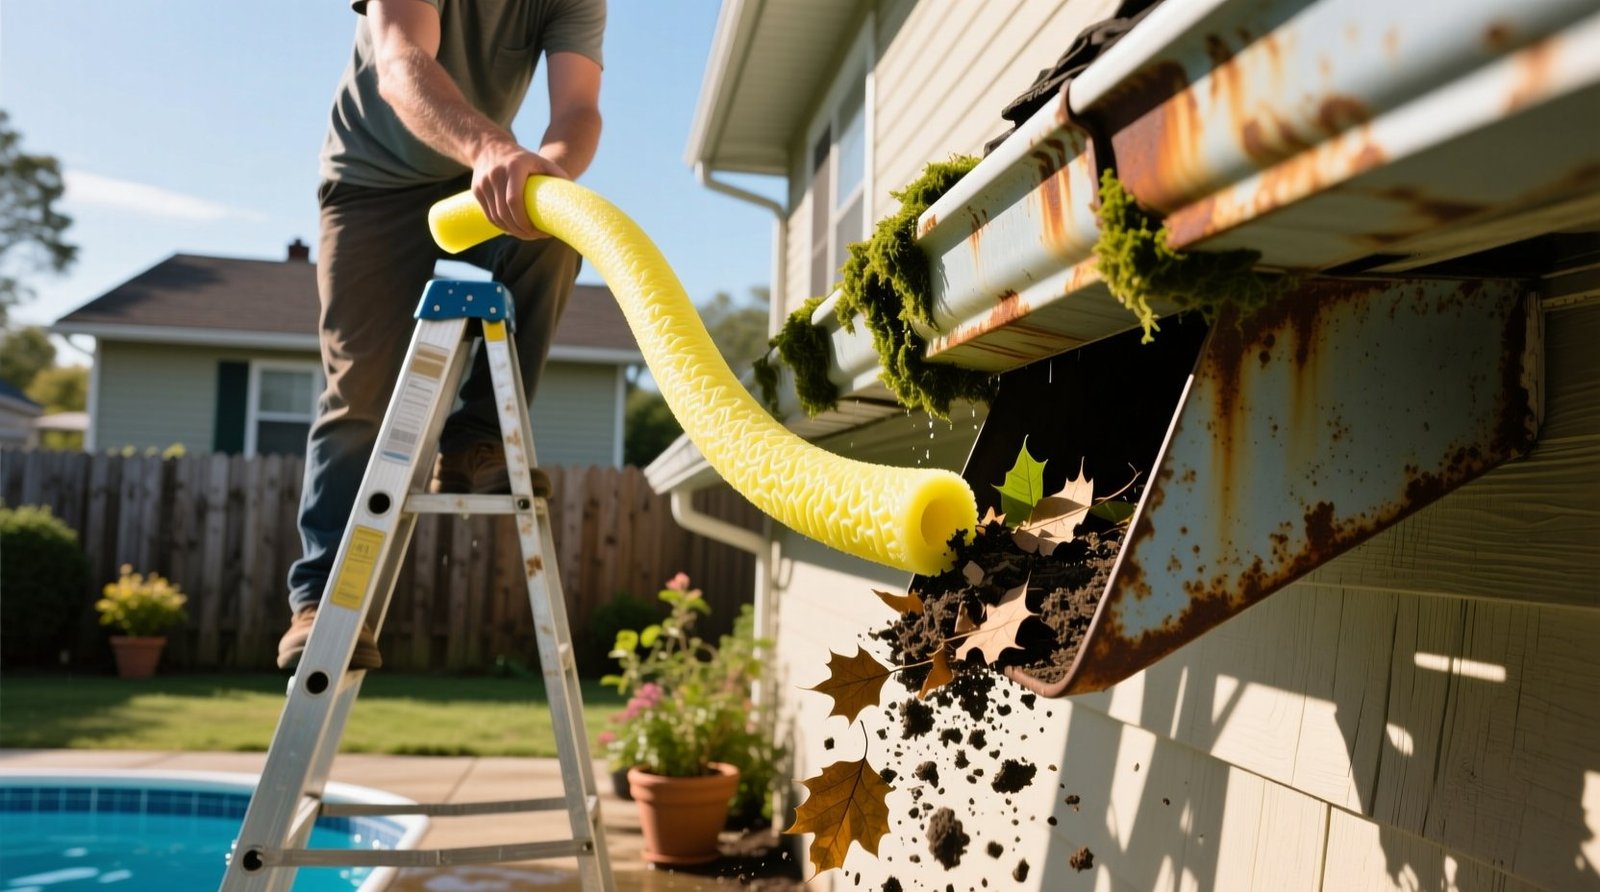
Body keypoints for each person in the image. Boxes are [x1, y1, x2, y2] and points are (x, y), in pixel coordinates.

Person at [277, 0, 605, 670]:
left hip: (475, 179)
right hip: (372, 184)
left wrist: (551, 172)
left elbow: (578, 108)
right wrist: (491, 146)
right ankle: (321, 603)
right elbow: (400, 64)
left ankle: (477, 440)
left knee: (555, 228)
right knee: (361, 392)